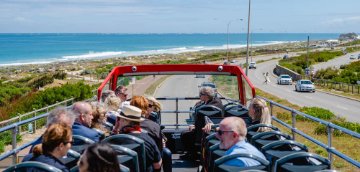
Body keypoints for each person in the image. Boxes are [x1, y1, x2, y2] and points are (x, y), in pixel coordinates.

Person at [130, 96, 172, 172]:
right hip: (147, 158)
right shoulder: (152, 126)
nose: (149, 108)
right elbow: (157, 163)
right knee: (166, 153)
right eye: (147, 106)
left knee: (167, 153)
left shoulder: (153, 120)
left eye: (150, 106)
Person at [117, 105, 162, 171]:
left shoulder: (113, 140)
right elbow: (157, 165)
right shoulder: (148, 140)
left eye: (119, 119)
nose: (118, 122)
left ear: (125, 121)